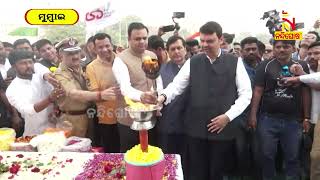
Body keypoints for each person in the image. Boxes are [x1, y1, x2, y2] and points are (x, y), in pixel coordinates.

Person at [157, 21, 252, 180]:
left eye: (209, 41)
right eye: (202, 41)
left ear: (220, 40)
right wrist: (162, 97)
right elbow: (176, 86)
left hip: (222, 129)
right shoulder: (193, 61)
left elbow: (246, 95)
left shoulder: (235, 62)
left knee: (217, 172)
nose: (204, 45)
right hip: (196, 129)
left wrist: (228, 116)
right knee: (197, 171)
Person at [248, 39, 311, 180]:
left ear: (293, 48)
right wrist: (253, 115)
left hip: (293, 120)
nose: (281, 49)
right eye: (278, 47)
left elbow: (306, 92)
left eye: (286, 46)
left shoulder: (302, 65)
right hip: (267, 119)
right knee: (267, 155)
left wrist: (306, 117)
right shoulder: (264, 66)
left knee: (292, 156)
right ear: (274, 48)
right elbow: (258, 91)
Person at [54, 37, 121, 137]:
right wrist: (100, 95)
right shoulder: (59, 74)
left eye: (77, 52)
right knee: (74, 150)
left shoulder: (79, 69)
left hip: (88, 117)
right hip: (70, 121)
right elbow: (73, 93)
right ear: (60, 56)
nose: (76, 56)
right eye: (70, 54)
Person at [112, 22, 161, 152]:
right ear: (129, 39)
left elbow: (156, 79)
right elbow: (125, 89)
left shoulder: (152, 56)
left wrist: (157, 95)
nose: (142, 42)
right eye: (137, 39)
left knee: (151, 155)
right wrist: (142, 96)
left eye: (144, 38)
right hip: (130, 121)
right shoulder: (120, 60)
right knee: (131, 158)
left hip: (151, 117)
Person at [281, 41, 320, 180]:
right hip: (306, 120)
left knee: (316, 157)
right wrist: (306, 118)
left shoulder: (306, 74)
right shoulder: (306, 69)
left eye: (317, 53)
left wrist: (298, 77)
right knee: (305, 154)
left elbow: (317, 83)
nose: (312, 56)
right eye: (309, 53)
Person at [6, 50, 65, 136]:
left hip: (57, 129)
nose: (28, 66)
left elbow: (39, 67)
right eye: (23, 63)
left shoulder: (40, 75)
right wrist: (50, 99)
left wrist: (56, 107)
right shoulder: (12, 89)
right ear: (14, 67)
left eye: (30, 62)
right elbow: (29, 110)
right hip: (35, 133)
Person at [86, 33, 122, 152]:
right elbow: (96, 95)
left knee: (129, 152)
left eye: (107, 45)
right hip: (107, 118)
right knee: (112, 154)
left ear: (112, 45)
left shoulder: (122, 60)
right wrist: (106, 93)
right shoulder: (91, 67)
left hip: (128, 117)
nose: (104, 49)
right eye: (100, 47)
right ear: (95, 49)